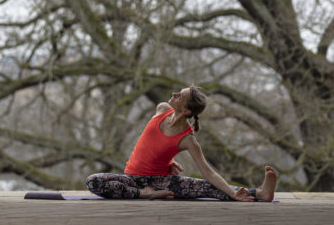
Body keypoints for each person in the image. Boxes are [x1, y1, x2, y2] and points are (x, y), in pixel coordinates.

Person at [85, 85, 278, 202]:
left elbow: (208, 172)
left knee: (206, 188)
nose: (174, 94)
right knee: (94, 181)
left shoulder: (187, 139)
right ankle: (145, 194)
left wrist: (232, 192)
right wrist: (167, 164)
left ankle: (260, 193)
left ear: (186, 111)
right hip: (132, 181)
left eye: (180, 96)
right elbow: (150, 146)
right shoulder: (161, 110)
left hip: (160, 182)